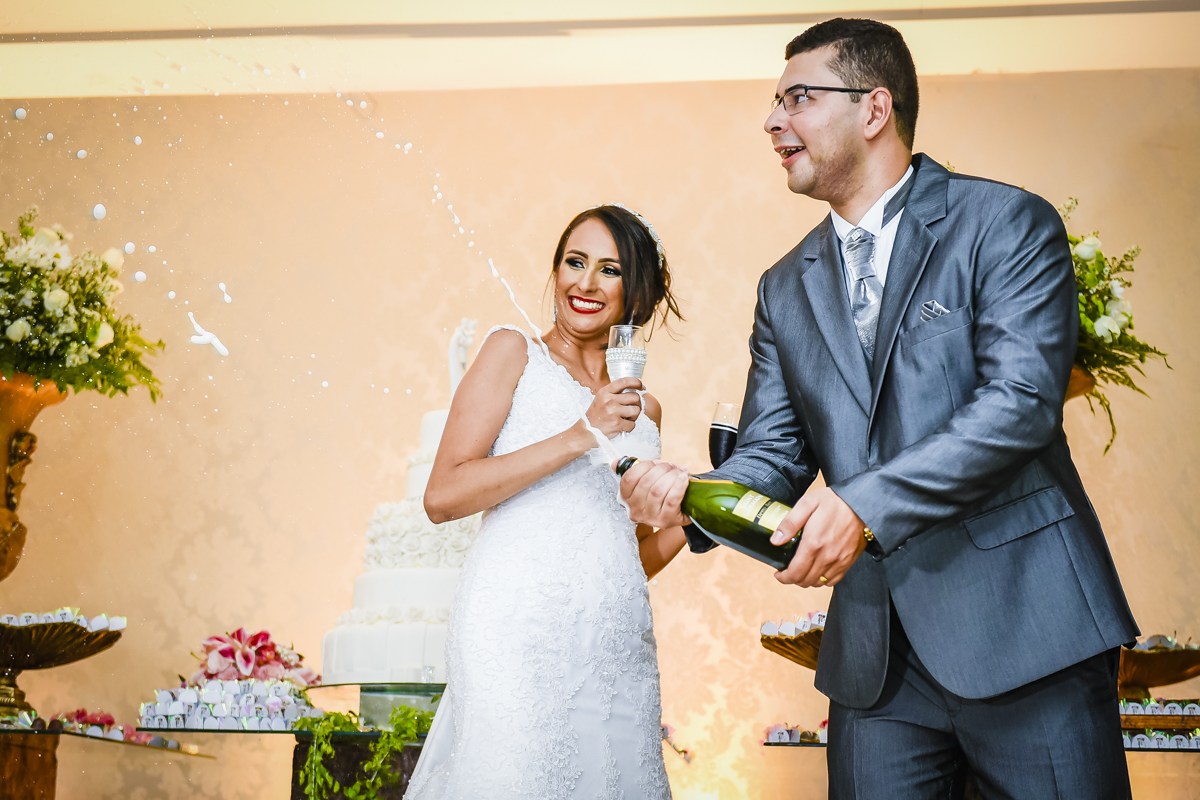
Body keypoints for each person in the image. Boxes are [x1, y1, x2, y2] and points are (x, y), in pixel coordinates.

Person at [619, 19, 1138, 799]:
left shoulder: (1003, 223)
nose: (771, 121)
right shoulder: (784, 287)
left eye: (797, 97)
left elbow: (1022, 403)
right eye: (773, 102)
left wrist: (863, 505)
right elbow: (774, 454)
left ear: (874, 108)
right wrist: (688, 495)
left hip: (1028, 631)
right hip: (875, 667)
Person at [405, 205, 686, 800]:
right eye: (573, 262)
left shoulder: (645, 410)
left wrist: (692, 518)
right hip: (515, 623)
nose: (584, 283)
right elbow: (443, 496)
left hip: (614, 636)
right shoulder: (513, 353)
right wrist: (582, 432)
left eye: (608, 270)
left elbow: (631, 552)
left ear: (639, 290)